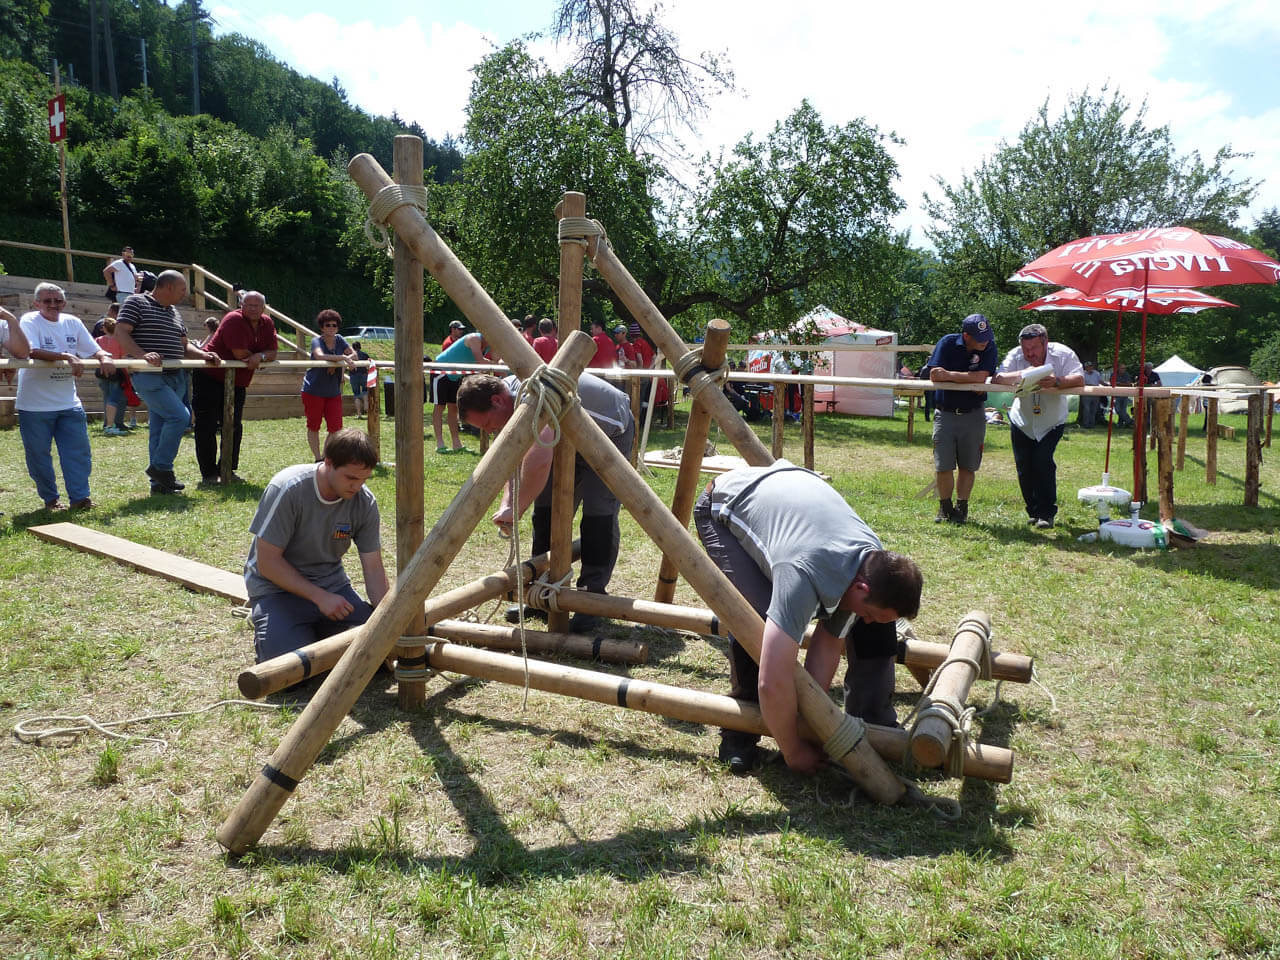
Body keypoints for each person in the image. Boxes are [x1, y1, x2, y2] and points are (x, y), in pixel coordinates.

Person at [693, 459, 923, 774]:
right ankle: (738, 735)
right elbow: (772, 681)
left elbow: (827, 647)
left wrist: (811, 725)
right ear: (861, 586)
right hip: (723, 505)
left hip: (789, 494)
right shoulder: (801, 572)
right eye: (869, 612)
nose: (866, 619)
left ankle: (874, 722)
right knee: (755, 625)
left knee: (874, 631)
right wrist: (793, 750)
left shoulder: (873, 558)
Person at [457, 371, 635, 632]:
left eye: (487, 425)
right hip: (566, 437)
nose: (490, 431)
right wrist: (508, 504)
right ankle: (541, 592)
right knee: (546, 513)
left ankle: (591, 598)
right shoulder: (507, 404)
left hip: (609, 433)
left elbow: (539, 461)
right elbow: (514, 458)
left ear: (496, 400)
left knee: (599, 515)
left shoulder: (531, 397)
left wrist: (514, 509)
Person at [244, 428, 390, 664]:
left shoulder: (364, 502)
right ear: (328, 462)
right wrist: (319, 597)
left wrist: (389, 618)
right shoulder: (288, 488)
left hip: (333, 589)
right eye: (351, 478)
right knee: (286, 670)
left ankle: (316, 632)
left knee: (378, 652)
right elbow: (267, 563)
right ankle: (285, 631)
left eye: (364, 479)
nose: (357, 486)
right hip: (278, 592)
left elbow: (373, 569)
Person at [115, 270, 220, 495]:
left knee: (159, 428)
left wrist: (204, 354)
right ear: (168, 287)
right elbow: (121, 332)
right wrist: (142, 354)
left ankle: (159, 485)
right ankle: (162, 468)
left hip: (176, 376)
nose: (185, 294)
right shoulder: (136, 302)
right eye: (183, 290)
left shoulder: (174, 312)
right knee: (180, 416)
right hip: (149, 375)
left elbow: (184, 345)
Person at [16, 283, 114, 510]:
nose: (53, 305)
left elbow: (92, 348)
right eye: (47, 301)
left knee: (78, 453)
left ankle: (80, 499)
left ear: (64, 302)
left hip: (69, 403)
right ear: (36, 303)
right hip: (35, 406)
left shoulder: (73, 322)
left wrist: (104, 356)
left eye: (57, 301)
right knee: (39, 457)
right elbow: (31, 350)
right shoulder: (29, 320)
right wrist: (67, 356)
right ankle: (50, 500)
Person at [991, 323, 1084, 529]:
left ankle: (1046, 513)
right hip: (1022, 420)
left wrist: (1057, 382)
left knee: (1043, 462)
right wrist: (1023, 374)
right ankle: (1033, 511)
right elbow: (998, 377)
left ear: (1045, 343)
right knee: (1024, 467)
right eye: (1026, 349)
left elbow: (1079, 378)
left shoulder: (1063, 353)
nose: (1029, 353)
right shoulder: (1016, 355)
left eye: (1034, 348)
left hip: (1052, 421)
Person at [192, 290, 279, 485]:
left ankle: (228, 469)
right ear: (241, 305)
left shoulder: (267, 323)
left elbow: (273, 352)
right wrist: (259, 355)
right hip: (209, 376)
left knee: (233, 425)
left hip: (237, 381)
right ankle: (209, 474)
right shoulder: (233, 319)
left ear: (264, 307)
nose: (253, 308)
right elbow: (240, 354)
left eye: (257, 305)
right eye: (248, 304)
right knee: (206, 425)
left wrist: (261, 356)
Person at [926, 313, 998, 524]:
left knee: (969, 465)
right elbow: (933, 375)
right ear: (966, 335)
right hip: (945, 413)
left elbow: (979, 377)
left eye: (987, 336)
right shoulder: (947, 342)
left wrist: (949, 375)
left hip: (974, 414)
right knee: (943, 465)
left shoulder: (990, 346)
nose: (985, 342)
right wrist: (966, 379)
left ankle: (962, 508)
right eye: (979, 338)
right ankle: (945, 507)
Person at [300, 309, 355, 461]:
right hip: (313, 390)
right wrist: (340, 358)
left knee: (336, 427)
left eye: (334, 325)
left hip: (333, 391)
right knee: (314, 426)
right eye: (328, 325)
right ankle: (317, 458)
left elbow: (354, 354)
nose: (331, 328)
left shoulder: (340, 339)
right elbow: (319, 355)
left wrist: (337, 362)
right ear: (322, 327)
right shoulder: (316, 340)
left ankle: (325, 457)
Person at [433, 330, 493, 452]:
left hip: (456, 374)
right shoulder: (474, 338)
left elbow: (489, 362)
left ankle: (457, 444)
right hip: (441, 371)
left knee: (453, 408)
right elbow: (480, 362)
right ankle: (440, 444)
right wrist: (496, 364)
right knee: (439, 407)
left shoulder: (489, 344)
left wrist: (496, 363)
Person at [94, 317, 131, 435]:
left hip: (101, 371)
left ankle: (108, 423)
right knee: (114, 399)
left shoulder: (98, 340)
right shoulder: (120, 341)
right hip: (116, 372)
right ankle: (111, 425)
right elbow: (123, 357)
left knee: (107, 397)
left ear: (104, 328)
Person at [349, 340, 370, 418]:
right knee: (365, 391)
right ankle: (366, 407)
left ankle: (359, 414)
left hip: (354, 376)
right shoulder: (365, 354)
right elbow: (368, 366)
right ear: (360, 346)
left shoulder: (351, 356)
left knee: (356, 394)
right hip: (364, 375)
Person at [1079, 361, 1102, 427]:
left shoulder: (1097, 373)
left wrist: (1108, 386)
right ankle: (1086, 424)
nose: (1090, 368)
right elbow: (1081, 383)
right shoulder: (1082, 373)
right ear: (1085, 368)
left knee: (1094, 410)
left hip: (1095, 393)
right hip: (1086, 394)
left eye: (1091, 366)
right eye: (1088, 367)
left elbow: (1100, 381)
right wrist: (1090, 385)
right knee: (1087, 409)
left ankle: (1092, 424)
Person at [1112, 362, 1134, 427]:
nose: (1123, 369)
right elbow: (1113, 383)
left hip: (1124, 395)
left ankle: (1120, 424)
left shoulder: (1127, 375)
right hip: (1116, 395)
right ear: (1118, 368)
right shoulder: (1114, 374)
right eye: (1122, 368)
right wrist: (1123, 384)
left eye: (1124, 368)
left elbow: (1129, 384)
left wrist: (1119, 383)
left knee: (1123, 410)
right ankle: (1129, 421)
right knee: (1118, 410)